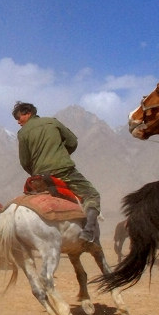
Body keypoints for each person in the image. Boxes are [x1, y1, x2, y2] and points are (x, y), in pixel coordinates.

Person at [12, 101, 101, 242]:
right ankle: (89, 231)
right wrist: (60, 155)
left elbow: (24, 161)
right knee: (92, 195)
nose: (18, 122)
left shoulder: (23, 133)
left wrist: (36, 172)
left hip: (40, 176)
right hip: (64, 171)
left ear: (27, 113)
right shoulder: (52, 122)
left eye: (18, 118)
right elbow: (72, 142)